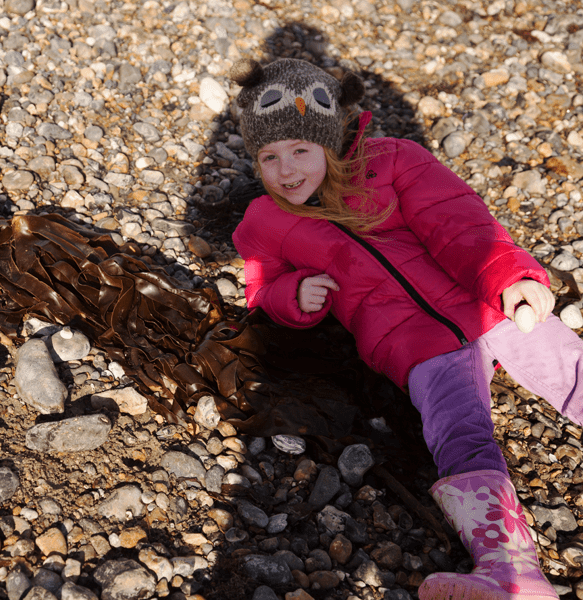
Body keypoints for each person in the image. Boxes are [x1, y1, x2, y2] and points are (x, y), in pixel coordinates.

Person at [229, 57, 581, 600]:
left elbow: (460, 225)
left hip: (486, 303)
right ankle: (509, 569)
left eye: (301, 150)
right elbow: (260, 288)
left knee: (567, 364)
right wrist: (291, 297)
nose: (286, 170)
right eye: (269, 156)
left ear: (330, 140)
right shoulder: (264, 222)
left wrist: (511, 277)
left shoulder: (394, 161)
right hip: (414, 345)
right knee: (459, 437)